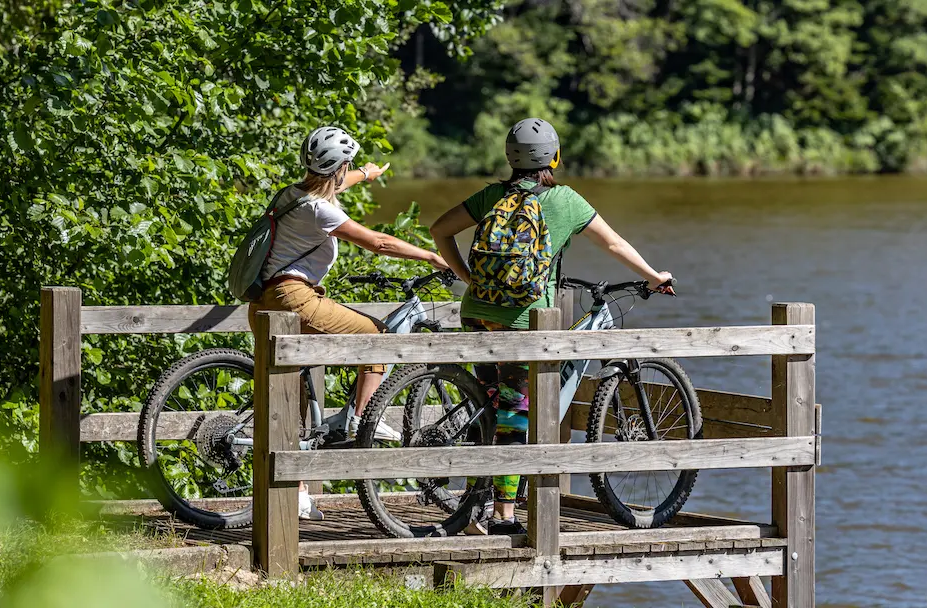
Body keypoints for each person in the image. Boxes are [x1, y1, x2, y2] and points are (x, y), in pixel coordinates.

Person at [429, 117, 674, 535]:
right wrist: (654, 276)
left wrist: (469, 278)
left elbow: (439, 230)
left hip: (477, 312)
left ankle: (474, 505)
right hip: (524, 320)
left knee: (490, 406)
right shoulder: (564, 200)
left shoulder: (491, 195)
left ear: (510, 157)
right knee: (515, 412)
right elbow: (613, 243)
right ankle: (502, 517)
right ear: (554, 158)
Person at [248, 126, 448, 520]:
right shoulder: (322, 210)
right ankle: (360, 418)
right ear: (338, 168)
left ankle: (299, 490)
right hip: (295, 298)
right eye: (349, 167)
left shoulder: (293, 195)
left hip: (264, 302)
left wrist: (367, 175)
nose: (349, 172)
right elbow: (379, 243)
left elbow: (331, 185)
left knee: (291, 390)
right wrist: (431, 256)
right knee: (378, 336)